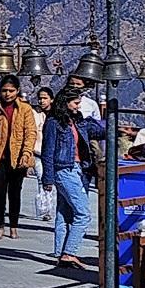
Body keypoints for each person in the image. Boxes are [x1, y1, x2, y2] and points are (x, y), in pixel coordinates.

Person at [41, 87, 103, 268]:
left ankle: (61, 253)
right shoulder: (53, 123)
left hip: (78, 168)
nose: (78, 106)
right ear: (65, 103)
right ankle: (70, 252)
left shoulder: (77, 121)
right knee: (83, 213)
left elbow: (97, 130)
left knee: (63, 212)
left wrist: (116, 125)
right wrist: (48, 178)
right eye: (75, 103)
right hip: (64, 169)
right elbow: (48, 151)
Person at [0, 74, 40, 239]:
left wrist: (26, 153)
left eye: (11, 90)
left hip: (18, 156)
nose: (7, 94)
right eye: (4, 90)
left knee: (15, 192)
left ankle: (13, 226)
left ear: (18, 91)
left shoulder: (25, 109)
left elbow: (31, 132)